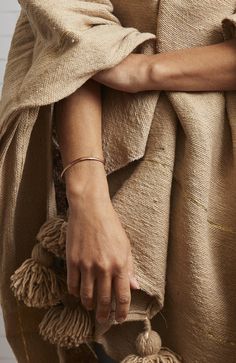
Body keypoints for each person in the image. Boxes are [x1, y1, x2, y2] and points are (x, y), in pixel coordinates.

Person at [1, 1, 236, 362]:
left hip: (222, 183)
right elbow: (69, 31)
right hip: (103, 164)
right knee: (106, 324)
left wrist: (147, 70)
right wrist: (88, 200)